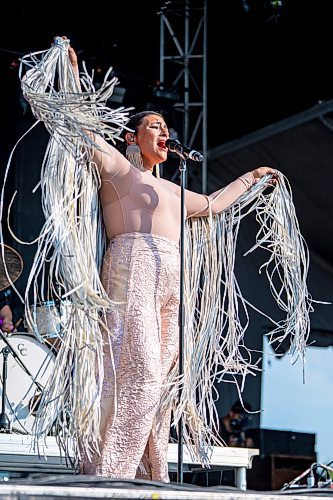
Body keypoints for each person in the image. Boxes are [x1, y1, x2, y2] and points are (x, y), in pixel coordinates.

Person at [21, 36, 276, 483]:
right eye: (154, 126)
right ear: (131, 136)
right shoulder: (120, 170)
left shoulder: (175, 192)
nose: (164, 133)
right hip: (132, 267)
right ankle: (111, 472)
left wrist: (252, 177)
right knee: (136, 368)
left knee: (160, 377)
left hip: (170, 277)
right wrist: (70, 74)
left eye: (166, 128)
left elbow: (215, 205)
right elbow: (78, 125)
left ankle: (148, 470)